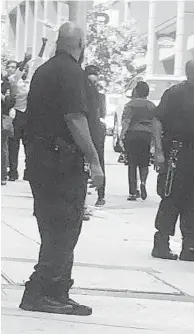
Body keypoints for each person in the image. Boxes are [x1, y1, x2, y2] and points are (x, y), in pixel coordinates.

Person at [20, 22, 104, 316]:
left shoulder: (45, 70)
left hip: (43, 161)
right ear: (80, 43)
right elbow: (74, 118)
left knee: (54, 227)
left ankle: (56, 290)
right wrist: (94, 160)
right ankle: (42, 289)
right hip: (60, 163)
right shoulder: (70, 72)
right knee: (64, 228)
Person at [151, 60, 194, 263]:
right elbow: (157, 120)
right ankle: (161, 243)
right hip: (176, 153)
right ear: (189, 74)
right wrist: (159, 152)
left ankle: (190, 247)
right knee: (171, 198)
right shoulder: (175, 93)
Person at [8, 38, 48, 181]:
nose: (25, 71)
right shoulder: (15, 81)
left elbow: (38, 62)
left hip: (29, 116)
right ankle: (13, 171)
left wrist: (43, 45)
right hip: (17, 114)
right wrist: (24, 61)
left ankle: (28, 171)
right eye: (23, 69)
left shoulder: (30, 80)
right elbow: (14, 77)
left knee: (30, 145)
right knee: (13, 145)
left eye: (26, 70)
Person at [120, 81, 155, 201]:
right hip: (147, 135)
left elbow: (126, 121)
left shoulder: (130, 105)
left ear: (136, 91)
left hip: (133, 134)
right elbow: (155, 123)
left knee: (132, 163)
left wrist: (122, 135)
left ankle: (133, 192)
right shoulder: (151, 106)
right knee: (144, 162)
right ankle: (143, 182)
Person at [85, 65, 107, 207]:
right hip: (95, 129)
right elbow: (102, 113)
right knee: (99, 160)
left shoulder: (80, 95)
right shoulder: (100, 96)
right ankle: (100, 195)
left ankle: (99, 194)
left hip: (88, 129)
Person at [1, 71, 16, 185]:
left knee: (2, 148)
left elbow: (10, 102)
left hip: (3, 119)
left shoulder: (7, 85)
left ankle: (2, 175)